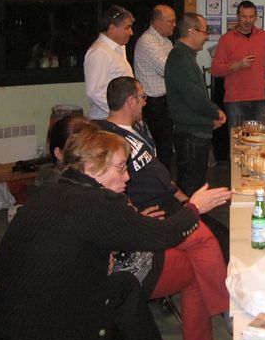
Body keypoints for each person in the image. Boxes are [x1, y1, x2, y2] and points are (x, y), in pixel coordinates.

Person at [0, 127, 232, 340]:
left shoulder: (51, 192)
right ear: (90, 168)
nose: (127, 176)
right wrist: (194, 208)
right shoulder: (97, 203)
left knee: (121, 289)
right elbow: (162, 235)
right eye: (120, 167)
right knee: (117, 301)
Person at [96, 76, 230, 262]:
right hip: (154, 212)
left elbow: (161, 175)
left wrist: (185, 200)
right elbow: (105, 189)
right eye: (143, 97)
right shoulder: (109, 140)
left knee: (221, 232)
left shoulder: (137, 130)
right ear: (131, 101)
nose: (145, 102)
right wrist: (135, 218)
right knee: (218, 238)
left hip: (169, 203)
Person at [166, 12, 227, 196]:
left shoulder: (186, 56)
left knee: (193, 184)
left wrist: (212, 115)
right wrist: (216, 113)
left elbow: (196, 97)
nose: (206, 37)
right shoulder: (181, 58)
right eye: (204, 32)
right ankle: (188, 215)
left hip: (194, 131)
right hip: (191, 135)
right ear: (191, 31)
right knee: (191, 188)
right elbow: (195, 100)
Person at [210, 0, 265, 128]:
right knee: (237, 138)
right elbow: (215, 69)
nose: (247, 20)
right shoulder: (226, 39)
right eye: (244, 16)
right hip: (234, 100)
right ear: (237, 16)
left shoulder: (264, 37)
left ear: (256, 17)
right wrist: (237, 65)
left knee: (259, 138)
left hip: (258, 98)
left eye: (251, 17)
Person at [134, 4, 177, 168]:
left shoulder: (166, 41)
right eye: (171, 21)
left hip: (165, 100)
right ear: (158, 22)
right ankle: (162, 179)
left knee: (166, 145)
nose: (174, 25)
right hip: (153, 103)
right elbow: (169, 69)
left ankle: (165, 177)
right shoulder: (147, 41)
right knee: (162, 146)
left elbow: (173, 69)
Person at [84, 5, 135, 119]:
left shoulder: (116, 49)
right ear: (112, 28)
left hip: (116, 119)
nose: (131, 32)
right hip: (105, 120)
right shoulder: (100, 52)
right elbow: (94, 92)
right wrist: (121, 113)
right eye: (127, 28)